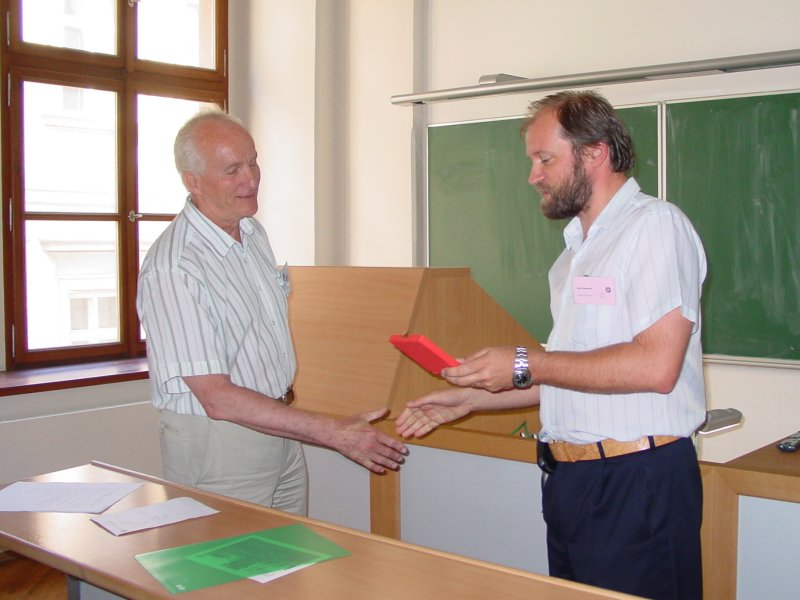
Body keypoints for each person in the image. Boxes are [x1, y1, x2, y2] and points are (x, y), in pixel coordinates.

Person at [396, 91, 706, 599]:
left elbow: (656, 365)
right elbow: (573, 372)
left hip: (636, 482)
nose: (533, 176)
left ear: (595, 153)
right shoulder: (572, 258)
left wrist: (524, 361)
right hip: (571, 482)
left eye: (545, 159)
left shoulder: (654, 228)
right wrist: (472, 399)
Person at [137, 109, 407, 516]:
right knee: (226, 572)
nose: (251, 179)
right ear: (193, 181)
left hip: (277, 424)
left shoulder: (251, 231)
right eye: (233, 170)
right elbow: (217, 398)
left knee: (286, 566)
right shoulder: (175, 268)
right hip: (221, 444)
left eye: (253, 161)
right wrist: (330, 431)